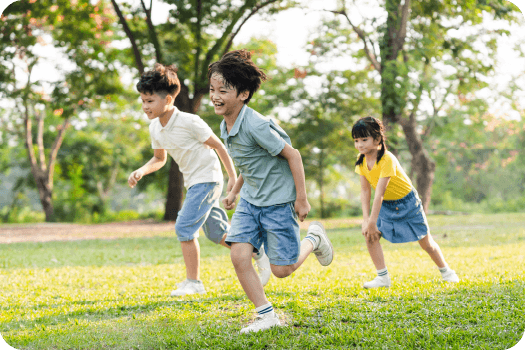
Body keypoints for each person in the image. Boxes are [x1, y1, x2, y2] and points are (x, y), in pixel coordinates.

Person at [208, 49, 334, 334]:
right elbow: (249, 163)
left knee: (282, 270)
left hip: (278, 202)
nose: (215, 96)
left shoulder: (257, 125)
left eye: (223, 90)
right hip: (251, 201)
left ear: (243, 94)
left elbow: (294, 156)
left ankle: (314, 238)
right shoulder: (225, 124)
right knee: (239, 255)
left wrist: (301, 198)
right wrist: (235, 190)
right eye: (213, 89)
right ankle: (265, 314)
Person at [127, 63, 271, 296]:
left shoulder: (189, 121)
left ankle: (193, 282)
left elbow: (220, 147)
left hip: (208, 179)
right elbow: (159, 158)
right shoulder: (155, 127)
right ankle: (257, 251)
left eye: (150, 101)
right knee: (217, 233)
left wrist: (233, 181)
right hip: (194, 182)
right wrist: (142, 171)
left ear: (169, 99)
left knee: (184, 227)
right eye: (143, 101)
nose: (145, 106)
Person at [352, 116, 459, 289]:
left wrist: (372, 221)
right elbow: (365, 191)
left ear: (377, 139)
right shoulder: (361, 160)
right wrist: (366, 220)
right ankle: (382, 278)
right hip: (386, 205)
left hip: (407, 203)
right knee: (370, 235)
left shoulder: (387, 159)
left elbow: (379, 192)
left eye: (364, 139)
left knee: (426, 243)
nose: (360, 145)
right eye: (356, 140)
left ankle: (447, 271)